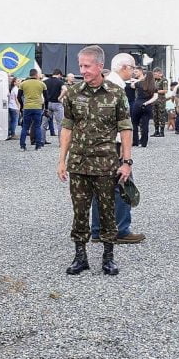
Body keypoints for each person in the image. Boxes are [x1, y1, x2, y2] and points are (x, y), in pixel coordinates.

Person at [58, 45, 133, 276]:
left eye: (87, 66)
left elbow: (126, 128)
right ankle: (80, 257)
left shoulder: (116, 93)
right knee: (79, 212)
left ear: (100, 66)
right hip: (79, 164)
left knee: (107, 211)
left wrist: (126, 162)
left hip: (105, 165)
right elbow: (67, 127)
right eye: (81, 66)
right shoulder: (72, 93)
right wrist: (62, 160)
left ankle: (108, 257)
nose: (83, 70)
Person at [90, 53, 145, 245]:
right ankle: (121, 228)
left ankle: (97, 229)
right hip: (114, 143)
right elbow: (121, 124)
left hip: (99, 143)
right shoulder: (117, 88)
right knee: (123, 184)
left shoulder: (102, 85)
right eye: (132, 67)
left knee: (101, 186)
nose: (134, 71)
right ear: (124, 67)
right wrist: (125, 152)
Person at [18, 69, 47, 151]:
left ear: (30, 74)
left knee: (25, 127)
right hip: (38, 108)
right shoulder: (42, 84)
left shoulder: (23, 84)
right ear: (36, 74)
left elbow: (18, 96)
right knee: (37, 126)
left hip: (27, 107)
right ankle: (38, 146)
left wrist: (22, 105)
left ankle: (22, 146)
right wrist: (46, 108)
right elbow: (46, 98)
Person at [131, 71, 159, 147]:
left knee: (134, 123)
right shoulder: (154, 86)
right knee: (145, 124)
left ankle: (135, 141)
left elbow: (132, 86)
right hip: (148, 106)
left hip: (138, 104)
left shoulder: (140, 83)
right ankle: (144, 142)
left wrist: (139, 79)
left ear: (145, 76)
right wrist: (147, 103)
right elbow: (155, 97)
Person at [45, 69, 66, 139]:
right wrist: (60, 98)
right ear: (59, 74)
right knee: (60, 124)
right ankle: (61, 142)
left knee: (44, 124)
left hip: (48, 104)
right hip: (57, 104)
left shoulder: (45, 81)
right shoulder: (60, 82)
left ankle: (41, 140)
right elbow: (65, 89)